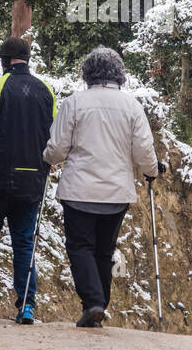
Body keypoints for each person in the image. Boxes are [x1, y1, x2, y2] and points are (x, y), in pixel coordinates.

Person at [43, 46, 161, 327]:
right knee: (104, 251)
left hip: (78, 191)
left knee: (80, 246)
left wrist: (46, 158)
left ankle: (93, 302)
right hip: (116, 193)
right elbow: (143, 150)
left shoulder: (74, 103)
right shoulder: (131, 106)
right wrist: (152, 172)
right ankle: (98, 306)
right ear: (119, 74)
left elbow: (58, 149)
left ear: (87, 73)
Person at [0, 37, 56, 324]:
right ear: (28, 59)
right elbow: (53, 134)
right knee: (25, 242)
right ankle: (26, 305)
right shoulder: (46, 90)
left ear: (4, 61)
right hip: (31, 181)